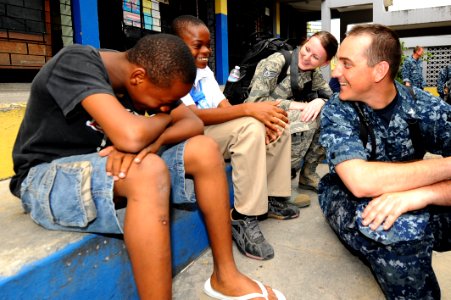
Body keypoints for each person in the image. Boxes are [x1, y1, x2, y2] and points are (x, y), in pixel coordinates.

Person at [9, 34, 285, 300]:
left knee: (204, 149)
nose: (164, 109)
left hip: (105, 167)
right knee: (148, 170)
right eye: (162, 103)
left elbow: (193, 124)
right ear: (138, 77)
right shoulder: (76, 62)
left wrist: (155, 138)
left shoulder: (146, 75)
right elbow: (131, 136)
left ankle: (225, 276)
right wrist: (150, 131)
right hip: (45, 178)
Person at [319, 23, 451, 299]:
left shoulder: (424, 107)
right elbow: (361, 182)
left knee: (409, 215)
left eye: (346, 64)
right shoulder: (338, 110)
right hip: (349, 195)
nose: (335, 72)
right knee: (395, 225)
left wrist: (425, 194)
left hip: (416, 195)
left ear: (379, 71)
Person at [172, 15, 300, 262]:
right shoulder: (172, 71)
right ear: (177, 45)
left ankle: (271, 197)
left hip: (213, 130)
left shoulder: (203, 71)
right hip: (191, 135)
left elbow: (223, 105)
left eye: (208, 45)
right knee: (250, 126)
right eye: (197, 45)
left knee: (275, 121)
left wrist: (252, 115)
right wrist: (247, 111)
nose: (206, 51)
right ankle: (243, 216)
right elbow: (192, 117)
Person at [245, 31, 338, 200]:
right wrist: (299, 106)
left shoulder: (312, 73)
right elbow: (255, 102)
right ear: (305, 41)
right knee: (308, 117)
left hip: (278, 116)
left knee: (329, 114)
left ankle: (307, 175)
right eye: (307, 48)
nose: (307, 56)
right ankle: (279, 178)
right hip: (257, 118)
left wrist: (321, 102)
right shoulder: (277, 62)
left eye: (315, 57)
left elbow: (332, 98)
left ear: (324, 63)